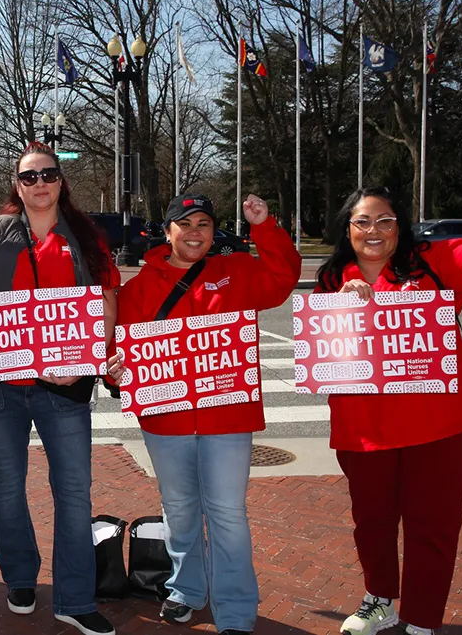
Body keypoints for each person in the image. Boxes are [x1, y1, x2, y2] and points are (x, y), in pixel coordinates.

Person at [317, 155, 462, 635]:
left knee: (433, 526)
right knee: (372, 522)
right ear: (348, 229)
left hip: (437, 423)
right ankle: (379, 599)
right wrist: (345, 308)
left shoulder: (433, 264)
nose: (374, 230)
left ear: (400, 227)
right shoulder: (330, 281)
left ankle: (422, 618)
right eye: (362, 221)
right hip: (363, 429)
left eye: (386, 220)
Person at [108, 193, 302, 635]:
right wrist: (117, 372)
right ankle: (186, 589)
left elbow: (283, 277)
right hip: (165, 418)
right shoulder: (138, 289)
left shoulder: (237, 271)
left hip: (228, 416)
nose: (195, 233)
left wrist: (264, 226)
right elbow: (122, 354)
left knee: (228, 512)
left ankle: (234, 609)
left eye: (204, 225)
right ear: (168, 230)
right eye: (186, 224)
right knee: (178, 508)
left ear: (214, 232)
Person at [0, 142, 120, 635]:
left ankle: (75, 597)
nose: (40, 183)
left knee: (73, 492)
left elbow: (105, 301)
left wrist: (90, 359)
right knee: (7, 487)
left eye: (48, 174)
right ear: (17, 186)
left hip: (64, 388)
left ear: (60, 182)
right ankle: (20, 577)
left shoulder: (85, 236)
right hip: (2, 385)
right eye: (29, 177)